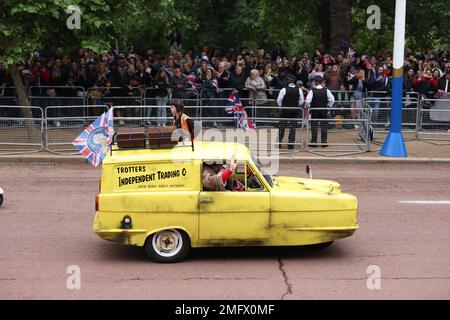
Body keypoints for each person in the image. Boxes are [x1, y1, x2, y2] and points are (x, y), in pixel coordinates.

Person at [305, 75, 335, 148]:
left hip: (314, 110)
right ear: (321, 82)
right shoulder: (326, 90)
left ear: (315, 82)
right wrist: (328, 107)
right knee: (324, 126)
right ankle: (324, 142)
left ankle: (314, 141)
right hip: (324, 110)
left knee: (314, 126)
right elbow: (332, 100)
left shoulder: (312, 91)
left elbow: (307, 101)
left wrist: (309, 108)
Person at [276, 74, 305, 150]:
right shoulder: (299, 89)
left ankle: (279, 144)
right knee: (292, 128)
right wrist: (296, 105)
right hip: (294, 111)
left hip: (285, 111)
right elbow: (301, 101)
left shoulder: (284, 89)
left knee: (281, 127)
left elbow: (279, 101)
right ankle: (290, 145)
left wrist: (282, 107)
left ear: (288, 81)